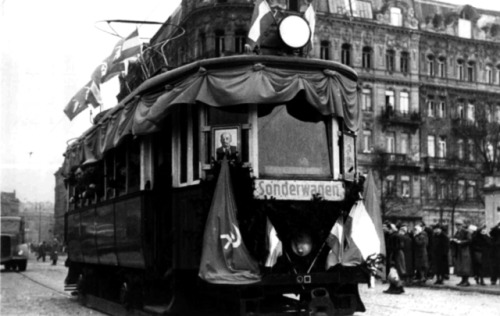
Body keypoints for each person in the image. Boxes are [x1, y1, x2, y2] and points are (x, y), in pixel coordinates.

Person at [451, 220, 473, 286]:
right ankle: (463, 280)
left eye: (459, 225)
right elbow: (455, 238)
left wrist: (460, 242)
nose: (458, 227)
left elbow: (469, 240)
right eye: (457, 225)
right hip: (459, 251)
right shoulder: (457, 232)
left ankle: (466, 281)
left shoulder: (466, 232)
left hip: (465, 251)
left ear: (462, 225)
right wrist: (453, 240)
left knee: (465, 266)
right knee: (461, 266)